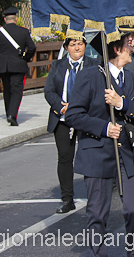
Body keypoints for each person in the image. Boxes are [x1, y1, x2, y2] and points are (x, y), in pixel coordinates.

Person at [64, 25, 134, 257]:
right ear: (116, 49)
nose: (133, 47)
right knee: (97, 214)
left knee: (133, 209)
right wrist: (104, 128)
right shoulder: (90, 76)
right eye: (128, 44)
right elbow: (73, 115)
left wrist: (122, 103)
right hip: (98, 152)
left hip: (130, 153)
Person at [44, 36, 98, 214]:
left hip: (85, 118)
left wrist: (77, 106)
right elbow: (49, 90)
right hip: (62, 118)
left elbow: (97, 90)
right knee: (65, 157)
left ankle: (95, 196)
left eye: (80, 44)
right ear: (66, 47)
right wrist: (61, 106)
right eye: (73, 44)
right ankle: (67, 199)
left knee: (89, 156)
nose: (76, 48)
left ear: (85, 46)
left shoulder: (93, 65)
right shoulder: (57, 65)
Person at [0, 7, 36, 126]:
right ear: (16, 19)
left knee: (7, 91)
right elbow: (32, 47)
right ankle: (12, 115)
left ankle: (9, 112)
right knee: (16, 91)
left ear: (5, 19)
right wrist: (26, 58)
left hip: (3, 66)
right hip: (18, 65)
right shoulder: (23, 31)